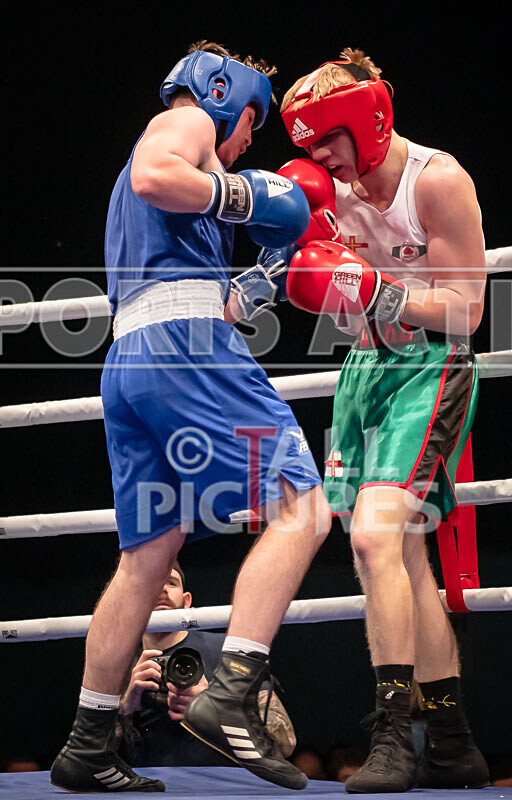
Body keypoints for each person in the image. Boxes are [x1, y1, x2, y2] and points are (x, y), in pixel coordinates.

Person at [50, 39, 330, 794]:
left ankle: (86, 742)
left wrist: (259, 279)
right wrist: (245, 195)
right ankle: (232, 686)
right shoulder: (184, 129)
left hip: (132, 359)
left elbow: (193, 282)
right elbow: (157, 174)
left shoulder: (166, 187)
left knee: (149, 552)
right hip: (182, 349)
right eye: (250, 130)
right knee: (304, 503)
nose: (244, 148)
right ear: (226, 101)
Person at [278, 48, 489, 792]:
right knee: (400, 558)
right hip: (363, 372)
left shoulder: (436, 181)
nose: (316, 159)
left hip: (429, 367)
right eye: (305, 147)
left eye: (324, 141)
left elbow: (466, 309)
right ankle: (454, 743)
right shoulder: (323, 190)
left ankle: (394, 735)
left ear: (363, 121)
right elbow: (307, 273)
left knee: (373, 537)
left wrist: (375, 290)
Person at [116, 561, 297, 766]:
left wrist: (213, 710)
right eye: (152, 582)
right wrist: (125, 708)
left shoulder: (228, 650)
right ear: (133, 600)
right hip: (151, 789)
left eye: (171, 582)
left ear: (186, 601)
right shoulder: (116, 666)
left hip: (224, 788)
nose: (162, 588)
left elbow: (285, 743)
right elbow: (94, 756)